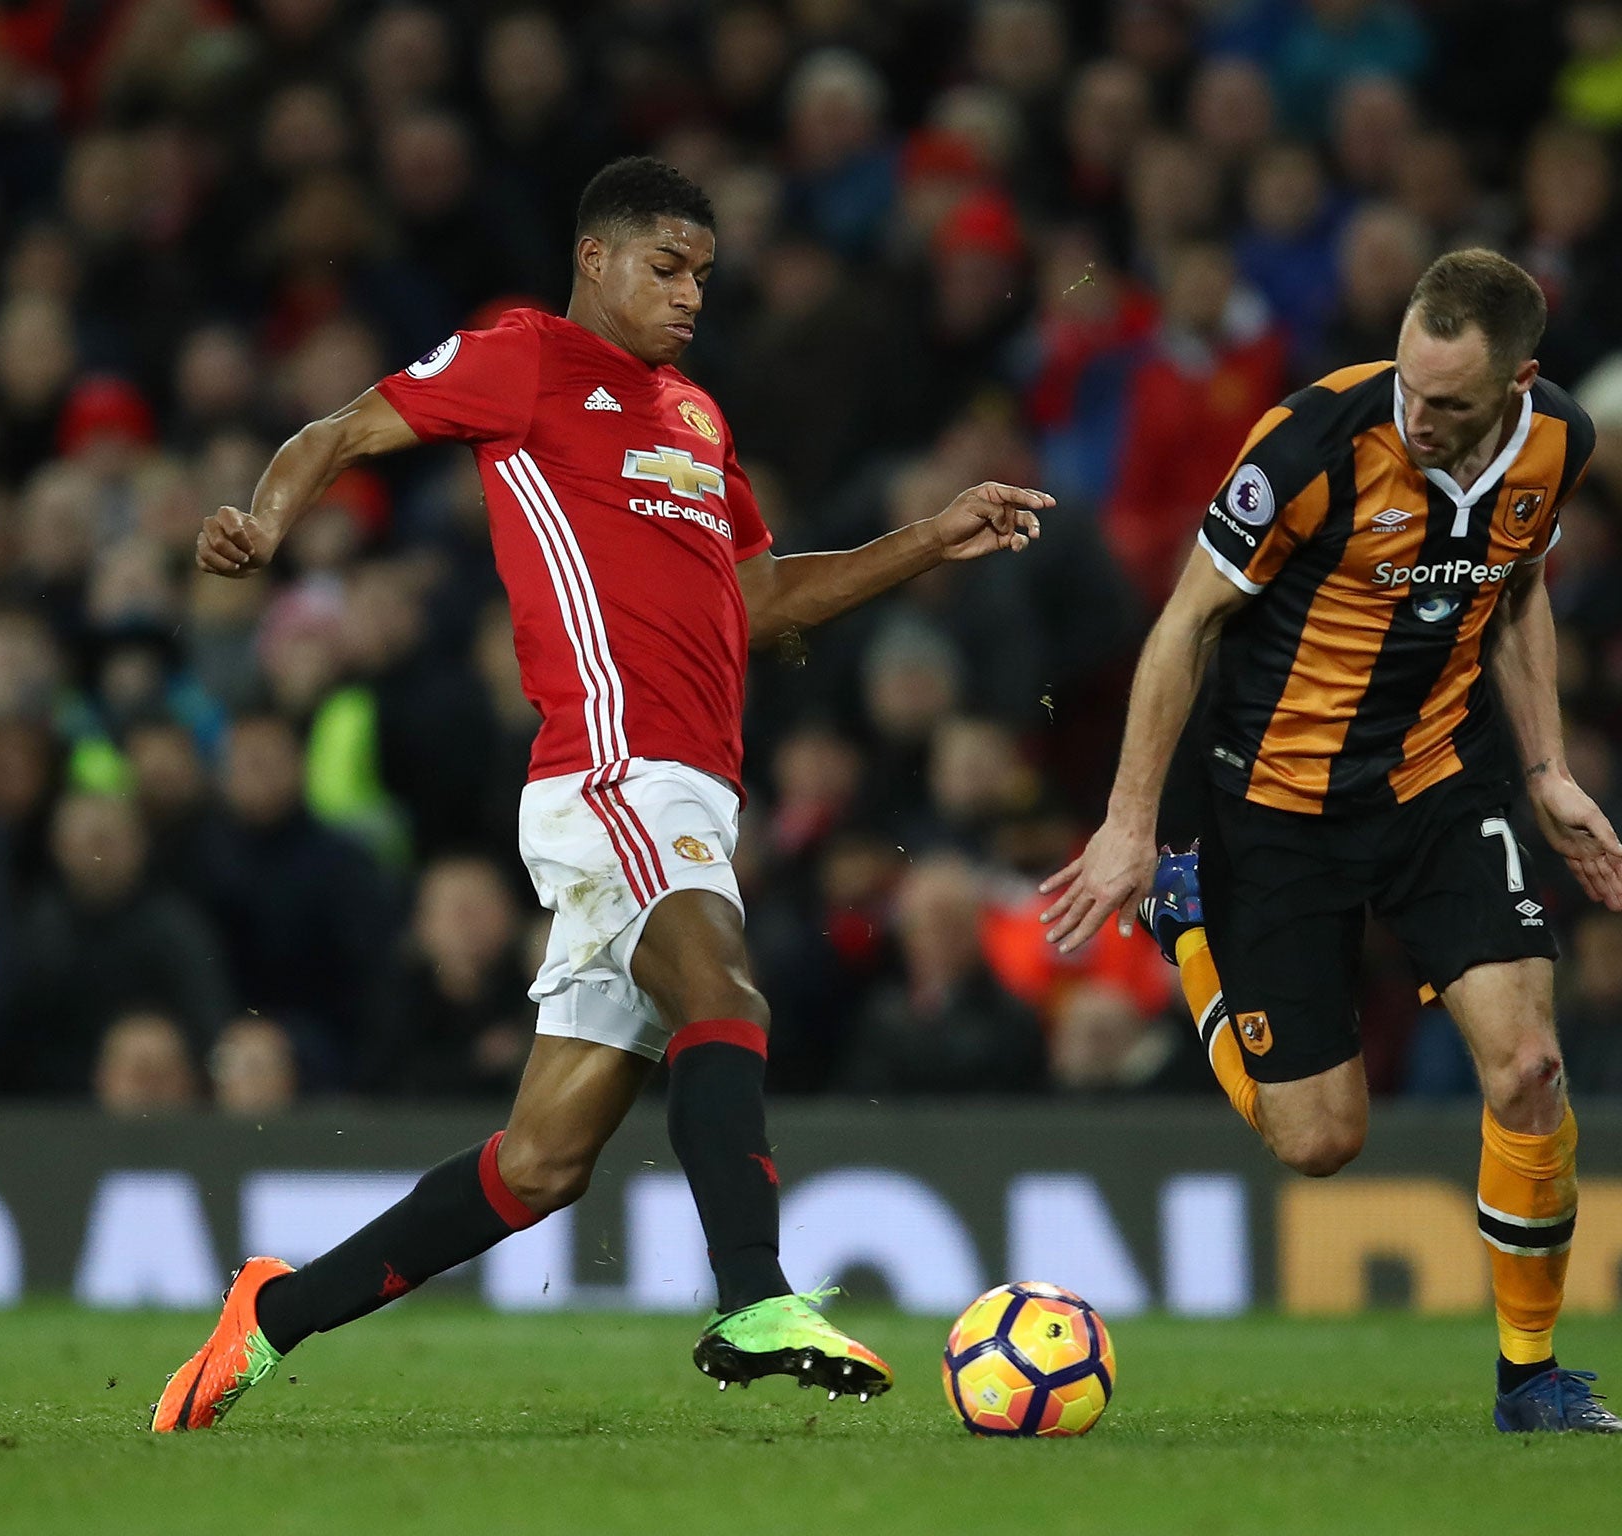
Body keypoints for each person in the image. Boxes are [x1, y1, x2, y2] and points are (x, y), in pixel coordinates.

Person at [152, 156, 1051, 1431]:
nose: (690, 295)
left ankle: (273, 1314)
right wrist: (265, 518)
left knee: (542, 1164)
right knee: (721, 985)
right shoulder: (521, 358)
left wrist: (926, 540)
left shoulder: (694, 416)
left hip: (689, 784)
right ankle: (752, 1293)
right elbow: (340, 429)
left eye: (703, 274)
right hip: (608, 765)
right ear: (595, 259)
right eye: (666, 267)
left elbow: (760, 600)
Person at [1040, 249, 1622, 1434]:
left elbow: (1513, 592)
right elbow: (1184, 625)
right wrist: (1128, 827)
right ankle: (1190, 929)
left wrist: (1548, 767)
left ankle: (1530, 1379)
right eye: (1407, 385)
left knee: (1527, 1072)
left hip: (1433, 786)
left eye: (1449, 403)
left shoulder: (1558, 444)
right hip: (1273, 807)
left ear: (1521, 382)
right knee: (1317, 1142)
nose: (1417, 417)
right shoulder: (1309, 442)